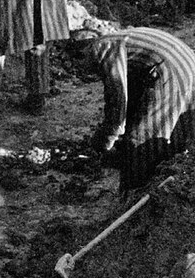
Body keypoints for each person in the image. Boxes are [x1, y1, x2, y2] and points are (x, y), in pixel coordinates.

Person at [81, 26, 195, 192]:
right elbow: (131, 92)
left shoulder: (100, 48)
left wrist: (107, 140)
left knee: (143, 138)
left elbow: (117, 95)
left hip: (173, 72)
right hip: (185, 65)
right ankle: (157, 183)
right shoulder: (120, 40)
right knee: (167, 129)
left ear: (82, 50)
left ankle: (134, 195)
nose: (84, 69)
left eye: (81, 63)